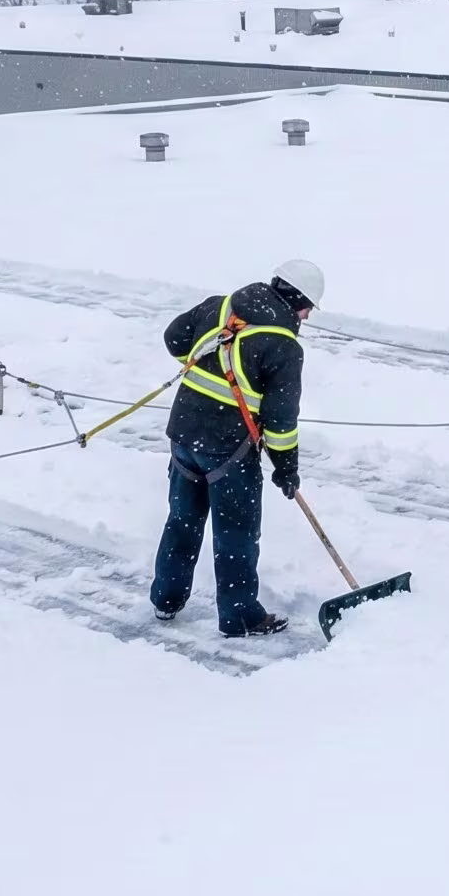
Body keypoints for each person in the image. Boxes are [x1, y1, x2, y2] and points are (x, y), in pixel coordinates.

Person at [149, 260, 321, 637]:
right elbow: (280, 421)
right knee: (236, 534)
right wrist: (286, 468)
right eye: (308, 306)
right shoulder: (284, 347)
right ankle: (240, 615)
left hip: (183, 434)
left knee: (182, 521)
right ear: (295, 299)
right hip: (230, 450)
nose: (307, 316)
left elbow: (175, 338)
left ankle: (166, 599)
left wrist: (204, 372)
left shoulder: (220, 306)